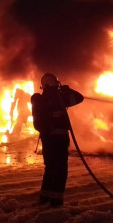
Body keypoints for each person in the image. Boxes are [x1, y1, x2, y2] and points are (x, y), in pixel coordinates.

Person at [31, 73, 84, 207]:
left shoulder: (40, 100)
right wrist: (67, 90)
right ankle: (56, 201)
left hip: (47, 140)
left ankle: (44, 198)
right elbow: (79, 98)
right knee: (60, 170)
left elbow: (38, 123)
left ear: (43, 85)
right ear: (56, 83)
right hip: (59, 140)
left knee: (50, 169)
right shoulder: (62, 97)